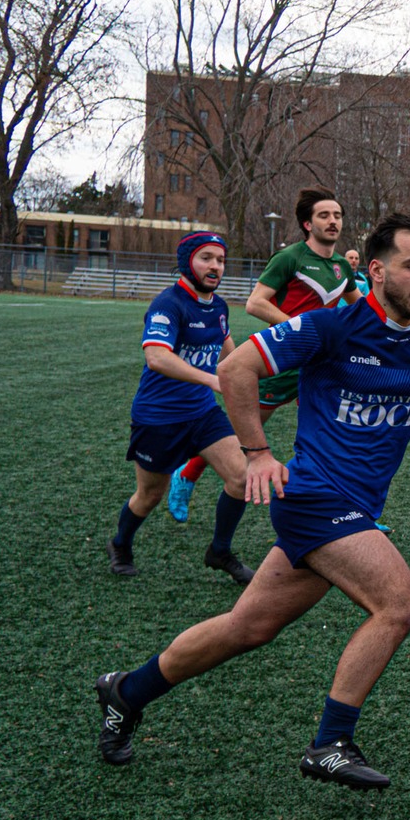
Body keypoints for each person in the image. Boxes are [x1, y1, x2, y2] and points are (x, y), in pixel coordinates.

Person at [94, 213, 410, 787]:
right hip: (312, 497)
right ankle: (330, 742)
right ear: (379, 270)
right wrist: (257, 453)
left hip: (357, 510)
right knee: (400, 603)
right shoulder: (330, 327)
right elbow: (237, 369)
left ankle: (125, 691)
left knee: (247, 627)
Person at [166, 187, 358, 523]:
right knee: (241, 433)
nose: (333, 221)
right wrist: (301, 332)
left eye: (337, 215)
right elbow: (255, 302)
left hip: (318, 367)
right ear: (307, 224)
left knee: (335, 435)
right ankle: (187, 474)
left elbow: (358, 307)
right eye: (324, 215)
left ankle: (349, 509)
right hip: (281, 364)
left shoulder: (343, 265)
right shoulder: (291, 258)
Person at [109, 231, 256, 586]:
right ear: (187, 260)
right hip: (158, 418)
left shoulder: (218, 306)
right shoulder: (168, 304)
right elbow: (157, 357)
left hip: (203, 414)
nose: (215, 266)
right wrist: (210, 380)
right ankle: (120, 544)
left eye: (220, 260)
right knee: (150, 496)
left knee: (241, 476)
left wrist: (250, 369)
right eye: (206, 257)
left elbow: (227, 350)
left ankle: (220, 551)